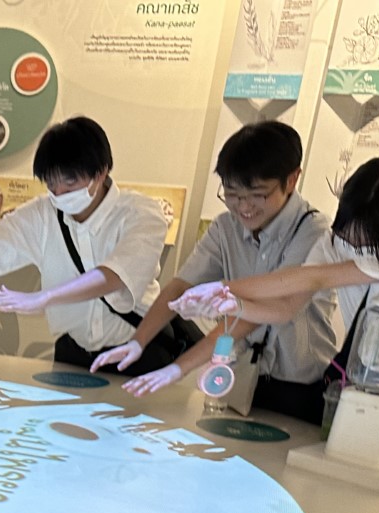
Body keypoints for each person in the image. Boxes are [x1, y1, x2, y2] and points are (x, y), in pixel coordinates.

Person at [172, 156, 379, 458]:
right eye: (349, 233)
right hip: (369, 390)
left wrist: (224, 287)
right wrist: (235, 305)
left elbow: (317, 277)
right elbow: (286, 306)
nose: (354, 245)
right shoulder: (336, 242)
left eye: (368, 240)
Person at [92, 122, 337, 421]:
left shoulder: (314, 232)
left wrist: (178, 368)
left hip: (300, 384)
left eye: (257, 194)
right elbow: (178, 287)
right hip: (241, 375)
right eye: (232, 194)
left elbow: (266, 311)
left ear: (292, 179)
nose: (243, 207)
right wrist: (138, 340)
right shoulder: (225, 227)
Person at [0, 116, 175, 377]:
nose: (60, 193)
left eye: (70, 183)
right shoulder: (43, 213)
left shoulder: (140, 213)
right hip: (74, 352)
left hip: (138, 349)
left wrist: (43, 298)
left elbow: (114, 276)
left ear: (101, 172)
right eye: (52, 184)